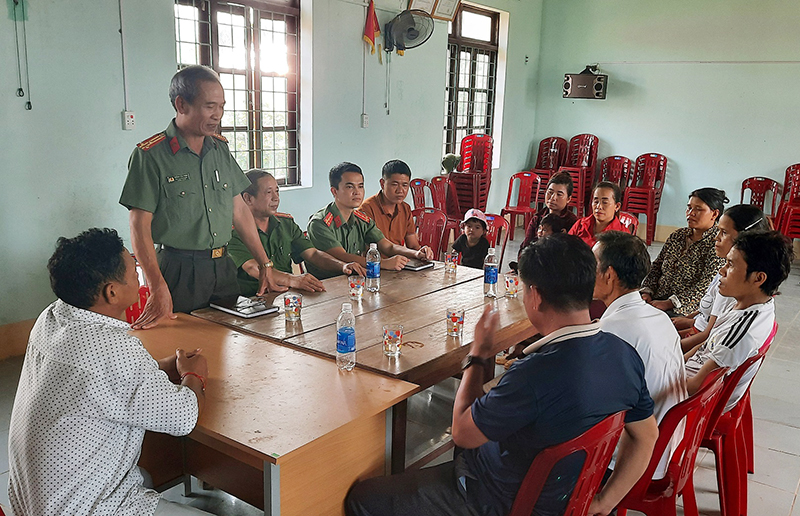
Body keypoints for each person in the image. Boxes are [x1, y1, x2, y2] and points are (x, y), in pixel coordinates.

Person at [345, 234, 658, 516]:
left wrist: (479, 354)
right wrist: (606, 501)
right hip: (571, 494)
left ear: (535, 296)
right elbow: (647, 437)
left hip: (503, 500)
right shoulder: (623, 354)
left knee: (363, 497)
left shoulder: (533, 374)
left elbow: (462, 432)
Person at [8, 229, 211, 516]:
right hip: (86, 509)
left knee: (146, 475)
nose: (138, 276)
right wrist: (195, 375)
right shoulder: (113, 349)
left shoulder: (52, 317)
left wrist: (159, 367)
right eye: (133, 271)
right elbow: (184, 417)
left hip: (34, 501)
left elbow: (101, 381)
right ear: (111, 292)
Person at [119, 65, 284, 329]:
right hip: (178, 269)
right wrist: (156, 284)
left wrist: (265, 263)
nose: (217, 115)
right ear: (181, 104)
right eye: (209, 106)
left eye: (221, 106)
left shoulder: (219, 149)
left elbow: (239, 210)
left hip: (222, 267)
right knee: (178, 347)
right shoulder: (151, 155)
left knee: (228, 340)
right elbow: (139, 227)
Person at [593, 231, 687, 479]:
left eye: (593, 265)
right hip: (670, 443)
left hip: (635, 458)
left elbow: (596, 406)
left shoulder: (612, 331)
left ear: (610, 275)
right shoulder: (659, 318)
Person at [685, 231, 792, 412]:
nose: (721, 271)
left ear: (758, 278)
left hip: (693, 404)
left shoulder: (741, 333)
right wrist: (675, 362)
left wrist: (658, 378)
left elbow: (697, 387)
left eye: (731, 265)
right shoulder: (750, 303)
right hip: (689, 377)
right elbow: (706, 344)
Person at [228, 169, 366, 296]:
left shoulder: (286, 224)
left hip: (286, 297)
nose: (276, 198)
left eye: (277, 191)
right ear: (248, 198)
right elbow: (253, 267)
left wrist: (342, 266)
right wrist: (293, 279)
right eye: (269, 192)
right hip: (251, 300)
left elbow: (312, 254)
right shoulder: (233, 232)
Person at [307, 162, 433, 279]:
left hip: (355, 281)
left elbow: (388, 246)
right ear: (334, 191)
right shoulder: (319, 223)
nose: (357, 192)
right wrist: (382, 263)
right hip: (327, 287)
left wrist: (416, 254)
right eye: (350, 187)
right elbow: (341, 256)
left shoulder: (361, 220)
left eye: (360, 186)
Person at [673, 204, 771, 352]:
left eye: (723, 232)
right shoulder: (726, 269)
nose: (716, 238)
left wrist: (669, 349)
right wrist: (689, 320)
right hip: (697, 329)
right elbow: (707, 312)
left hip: (698, 343)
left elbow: (707, 336)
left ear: (744, 239)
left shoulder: (732, 287)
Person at [641, 187, 728, 316]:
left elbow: (705, 287)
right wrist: (647, 292)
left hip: (683, 310)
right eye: (689, 208)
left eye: (698, 209)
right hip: (657, 298)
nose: (690, 213)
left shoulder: (716, 243)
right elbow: (657, 266)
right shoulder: (678, 236)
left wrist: (669, 303)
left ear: (715, 214)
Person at [359, 159, 431, 256]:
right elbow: (368, 250)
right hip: (376, 266)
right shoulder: (367, 209)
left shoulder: (405, 209)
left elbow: (413, 245)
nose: (400, 190)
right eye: (394, 184)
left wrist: (421, 252)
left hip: (400, 264)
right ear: (382, 183)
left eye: (405, 185)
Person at [519, 171, 578, 251]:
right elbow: (524, 248)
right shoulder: (537, 218)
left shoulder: (573, 223)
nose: (553, 198)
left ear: (568, 199)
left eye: (559, 194)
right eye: (550, 192)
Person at [568, 181, 631, 247]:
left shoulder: (623, 235)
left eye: (605, 202)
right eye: (596, 201)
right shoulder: (580, 225)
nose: (598, 206)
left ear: (617, 206)